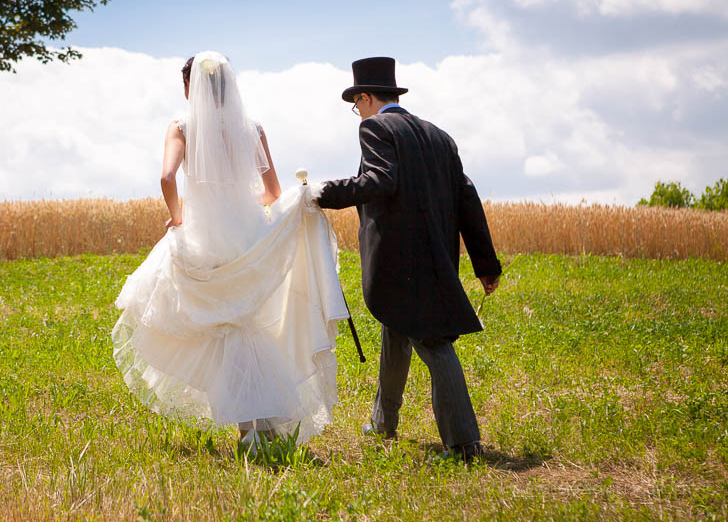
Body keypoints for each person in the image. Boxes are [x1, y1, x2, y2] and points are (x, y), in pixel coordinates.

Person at [111, 51, 350, 454]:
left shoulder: (182, 127)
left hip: (203, 239)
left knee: (221, 332)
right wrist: (245, 207)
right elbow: (273, 192)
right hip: (248, 239)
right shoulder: (252, 129)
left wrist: (177, 217)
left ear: (190, 87)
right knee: (248, 329)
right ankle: (265, 423)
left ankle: (248, 431)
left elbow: (167, 177)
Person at [311, 56, 501, 463]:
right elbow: (467, 198)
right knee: (395, 330)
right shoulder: (439, 136)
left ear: (365, 98)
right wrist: (486, 266)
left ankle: (463, 444)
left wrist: (322, 193)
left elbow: (380, 180)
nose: (358, 113)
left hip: (400, 260)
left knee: (433, 343)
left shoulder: (375, 128)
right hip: (436, 257)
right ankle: (383, 422)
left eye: (356, 105)